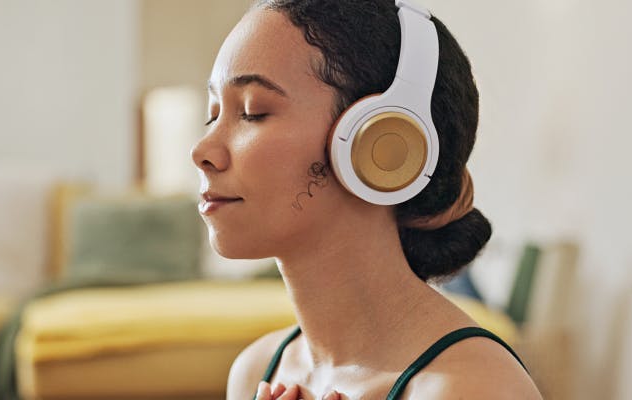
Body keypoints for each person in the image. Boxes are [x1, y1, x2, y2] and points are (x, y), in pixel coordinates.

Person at [190, 0, 543, 399]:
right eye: (213, 114)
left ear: (382, 143)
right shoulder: (257, 370)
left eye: (252, 112)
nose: (202, 150)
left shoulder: (471, 389)